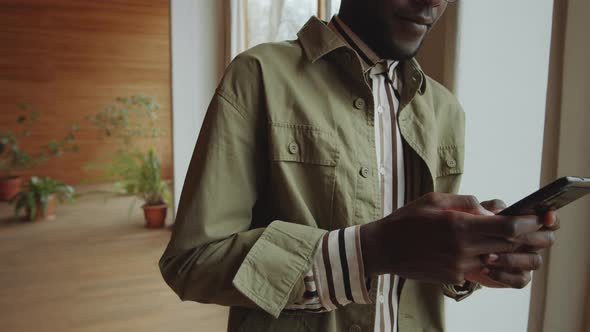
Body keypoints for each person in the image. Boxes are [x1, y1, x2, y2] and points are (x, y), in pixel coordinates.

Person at [159, 0, 558, 331]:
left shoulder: (445, 109)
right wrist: (369, 252)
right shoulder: (259, 75)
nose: (434, 2)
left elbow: (421, 267)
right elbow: (193, 262)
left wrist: (475, 257)